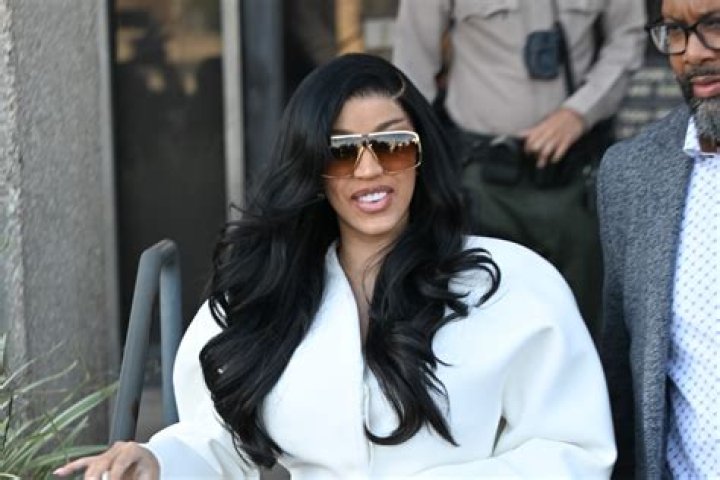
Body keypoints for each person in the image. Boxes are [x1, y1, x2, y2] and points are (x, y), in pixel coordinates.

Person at [55, 53, 615, 478]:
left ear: (422, 154)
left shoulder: (510, 286)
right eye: (341, 150)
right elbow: (223, 439)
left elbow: (570, 451)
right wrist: (159, 461)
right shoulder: (268, 292)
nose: (369, 170)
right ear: (311, 167)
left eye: (392, 144)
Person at [392, 0, 647, 338]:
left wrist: (580, 112)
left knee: (587, 326)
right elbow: (413, 66)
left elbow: (628, 38)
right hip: (482, 179)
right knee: (485, 323)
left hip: (573, 179)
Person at [598, 0, 720, 477]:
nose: (692, 52)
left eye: (715, 24)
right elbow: (621, 374)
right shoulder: (631, 173)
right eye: (675, 30)